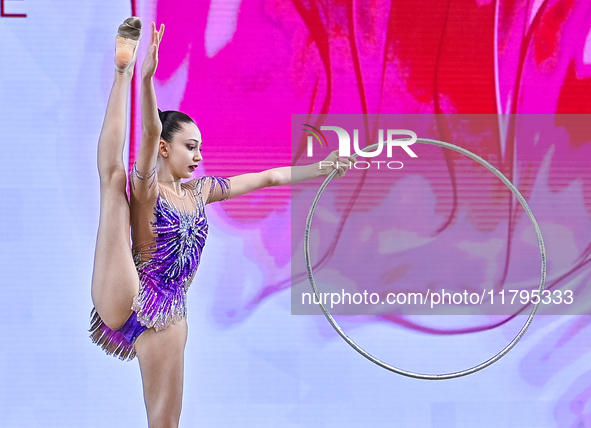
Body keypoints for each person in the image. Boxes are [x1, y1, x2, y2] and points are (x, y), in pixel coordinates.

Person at [89, 17, 353, 427]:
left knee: (165, 424)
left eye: (201, 148)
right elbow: (149, 130)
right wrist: (143, 79)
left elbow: (269, 177)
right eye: (189, 146)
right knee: (114, 182)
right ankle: (120, 72)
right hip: (126, 290)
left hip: (169, 313)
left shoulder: (201, 191)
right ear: (163, 148)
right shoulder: (148, 189)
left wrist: (322, 167)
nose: (198, 156)